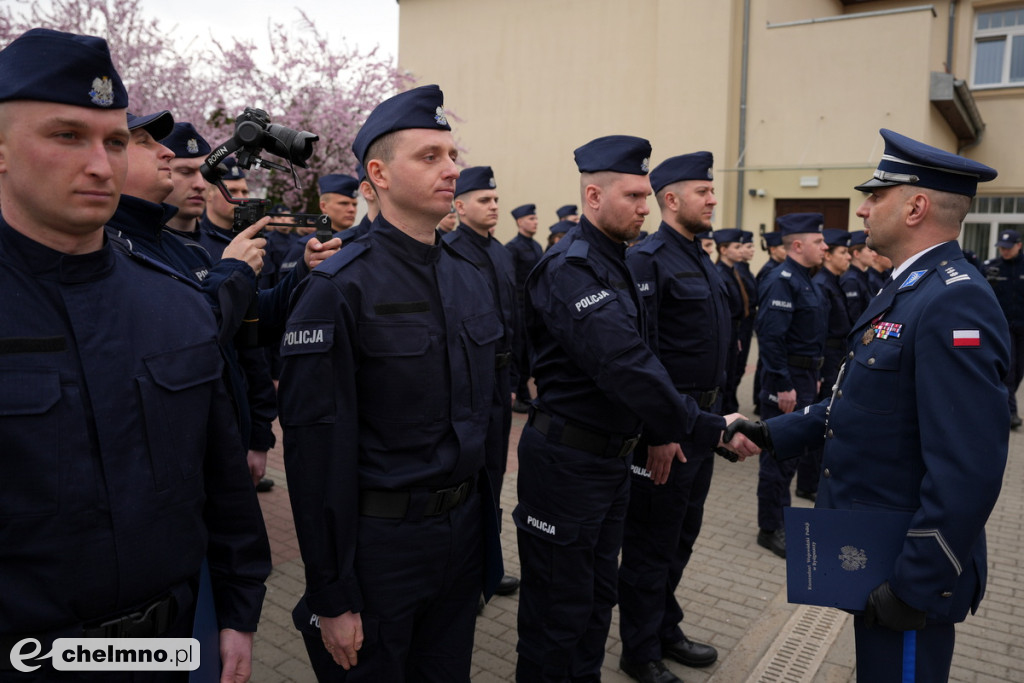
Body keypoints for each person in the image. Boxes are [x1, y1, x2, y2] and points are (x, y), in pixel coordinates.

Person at [0, 27, 270, 680]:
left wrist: (237, 611)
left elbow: (223, 482)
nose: (101, 164)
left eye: (116, 141)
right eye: (67, 136)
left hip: (170, 645)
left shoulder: (174, 304)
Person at [728, 128, 1008, 683]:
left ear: (916, 207)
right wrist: (768, 434)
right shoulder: (907, 288)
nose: (861, 208)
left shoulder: (953, 300)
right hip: (879, 558)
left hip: (905, 573)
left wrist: (915, 584)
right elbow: (856, 403)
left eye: (876, 195)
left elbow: (968, 469)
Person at [278, 84, 503, 682]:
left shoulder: (468, 274)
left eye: (452, 155)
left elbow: (487, 417)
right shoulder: (338, 287)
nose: (451, 169)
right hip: (380, 549)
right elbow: (314, 453)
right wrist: (332, 592)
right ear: (376, 173)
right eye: (429, 156)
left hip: (460, 537)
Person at [513, 135, 759, 682]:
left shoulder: (614, 259)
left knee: (597, 602)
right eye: (633, 196)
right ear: (594, 196)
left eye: (648, 196)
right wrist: (707, 426)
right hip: (568, 465)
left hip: (609, 462)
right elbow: (626, 364)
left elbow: (644, 356)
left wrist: (669, 427)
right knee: (559, 615)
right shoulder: (572, 266)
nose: (645, 207)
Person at [619, 152, 732, 683]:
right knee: (651, 542)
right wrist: (659, 434)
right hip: (669, 429)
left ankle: (665, 626)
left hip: (701, 421)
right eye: (703, 191)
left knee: (682, 534)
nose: (713, 198)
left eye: (712, 191)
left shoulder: (699, 256)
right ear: (671, 199)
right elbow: (646, 354)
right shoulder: (649, 259)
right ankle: (639, 651)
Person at [443, 165, 521, 598]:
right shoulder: (449, 251)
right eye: (484, 200)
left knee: (493, 473)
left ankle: (488, 567)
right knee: (470, 477)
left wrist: (515, 379)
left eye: (495, 200)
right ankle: (465, 580)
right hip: (470, 381)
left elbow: (514, 319)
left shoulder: (501, 251)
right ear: (459, 205)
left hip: (499, 380)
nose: (494, 206)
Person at [752, 212, 827, 558]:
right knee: (778, 457)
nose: (824, 246)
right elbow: (771, 338)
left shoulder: (805, 279)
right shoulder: (783, 280)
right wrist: (782, 384)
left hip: (804, 378)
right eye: (818, 241)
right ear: (797, 245)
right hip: (787, 382)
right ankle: (770, 528)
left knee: (792, 457)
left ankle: (781, 519)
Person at [796, 228, 851, 501]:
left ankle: (812, 479)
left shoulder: (833, 282)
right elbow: (818, 331)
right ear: (828, 255)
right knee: (820, 419)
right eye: (843, 252)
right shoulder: (822, 284)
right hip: (825, 358)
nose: (848, 258)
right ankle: (807, 482)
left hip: (833, 357)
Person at [983, 228, 1024, 429]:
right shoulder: (992, 267)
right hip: (1003, 327)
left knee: (1018, 373)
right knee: (1008, 369)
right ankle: (1010, 413)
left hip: (1022, 327)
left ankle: (1005, 404)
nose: (1004, 251)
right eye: (1001, 248)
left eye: (1008, 248)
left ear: (1019, 246)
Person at [506, 202, 541, 413]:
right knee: (518, 351)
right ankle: (519, 393)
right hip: (518, 306)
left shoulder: (536, 247)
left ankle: (524, 391)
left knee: (530, 352)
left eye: (536, 219)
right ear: (520, 222)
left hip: (533, 307)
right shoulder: (512, 248)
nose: (535, 222)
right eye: (531, 219)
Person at [712, 228, 747, 414]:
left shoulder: (732, 272)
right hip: (728, 331)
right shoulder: (720, 273)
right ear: (724, 250)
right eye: (737, 246)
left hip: (736, 331)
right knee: (726, 376)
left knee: (733, 374)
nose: (741, 250)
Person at [839, 230, 876, 324]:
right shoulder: (851, 280)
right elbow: (854, 316)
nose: (874, 254)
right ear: (856, 254)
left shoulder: (864, 276)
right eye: (869, 250)